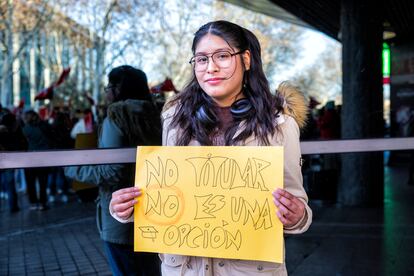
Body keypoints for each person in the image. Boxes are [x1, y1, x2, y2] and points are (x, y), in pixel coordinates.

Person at [109, 20, 312, 275]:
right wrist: (126, 209)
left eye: (223, 56)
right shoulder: (174, 118)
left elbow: (299, 208)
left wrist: (296, 216)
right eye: (202, 59)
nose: (211, 68)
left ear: (246, 59)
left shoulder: (279, 123)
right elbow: (167, 194)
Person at [65, 65, 162, 276]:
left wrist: (74, 169)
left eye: (109, 86)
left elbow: (112, 171)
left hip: (121, 215)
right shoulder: (158, 115)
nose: (106, 92)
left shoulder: (117, 117)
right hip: (158, 212)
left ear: (118, 88)